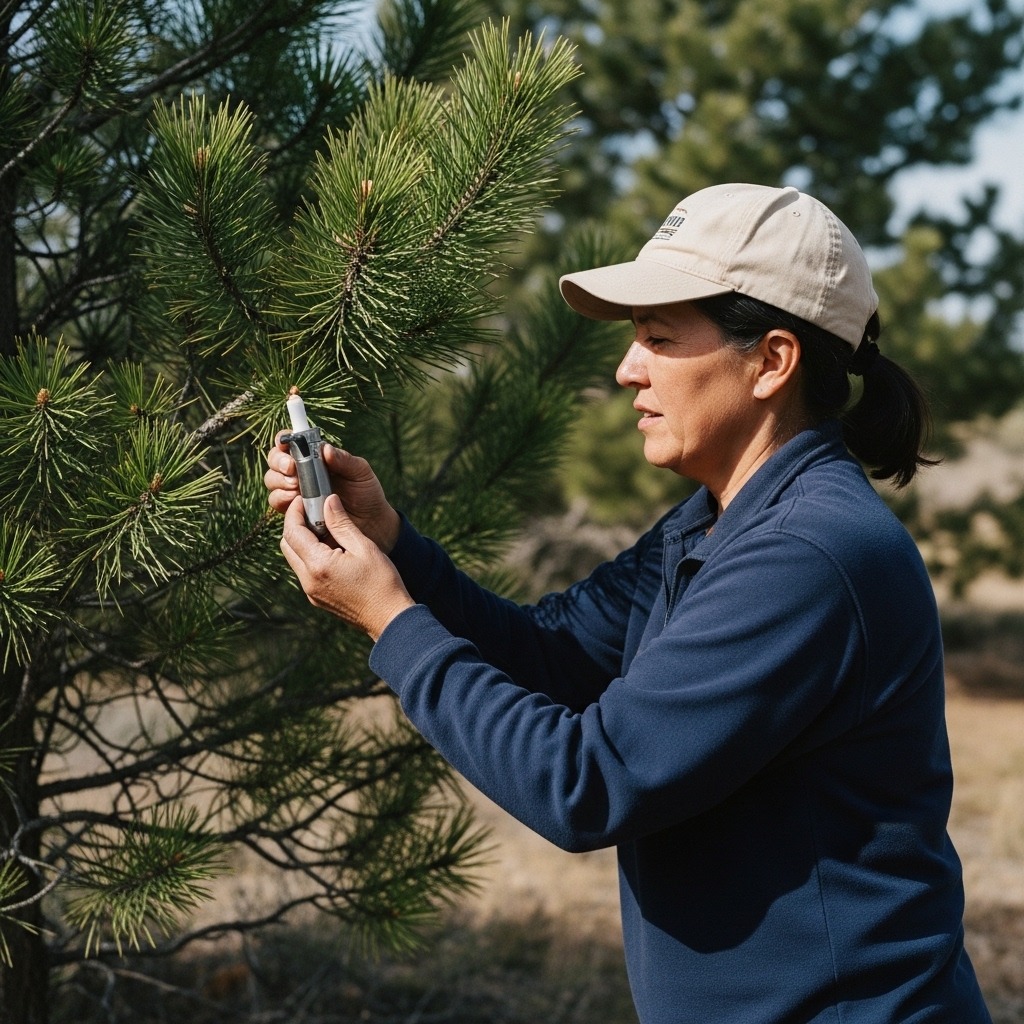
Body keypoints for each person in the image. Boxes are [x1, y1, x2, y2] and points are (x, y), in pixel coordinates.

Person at [264, 183, 992, 1024]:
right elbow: (552, 657)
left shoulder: (807, 555)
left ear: (772, 361)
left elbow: (587, 784)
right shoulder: (718, 519)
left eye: (657, 338)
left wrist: (391, 620)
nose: (625, 369)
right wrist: (394, 547)